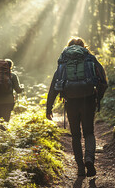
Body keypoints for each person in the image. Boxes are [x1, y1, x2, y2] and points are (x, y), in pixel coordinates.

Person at [46, 37, 108, 177]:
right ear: (83, 47)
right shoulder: (90, 58)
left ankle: (80, 167)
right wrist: (98, 97)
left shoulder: (63, 61)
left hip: (70, 101)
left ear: (68, 47)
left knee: (75, 135)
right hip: (88, 99)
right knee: (89, 133)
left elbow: (54, 86)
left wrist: (48, 108)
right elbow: (103, 81)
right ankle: (89, 159)